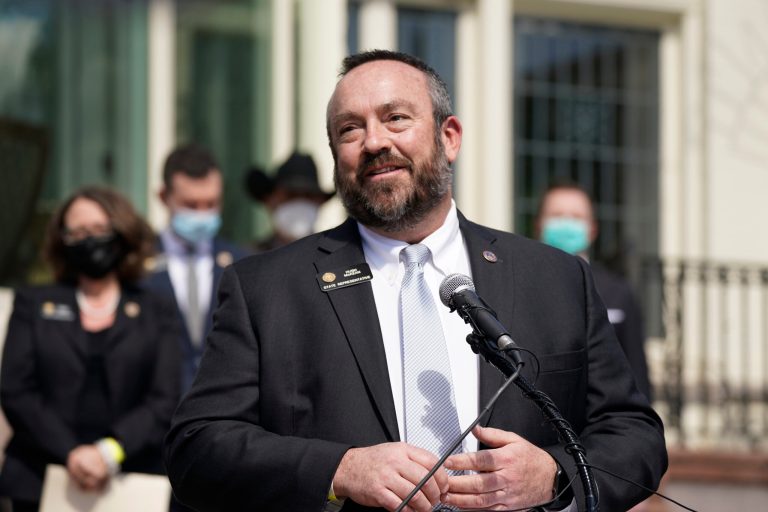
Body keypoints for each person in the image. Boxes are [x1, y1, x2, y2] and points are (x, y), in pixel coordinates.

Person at [165, 50, 667, 512]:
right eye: (349, 130)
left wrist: (556, 476)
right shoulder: (267, 288)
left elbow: (635, 435)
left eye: (395, 118)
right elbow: (197, 449)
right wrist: (339, 470)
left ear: (449, 136)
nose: (375, 142)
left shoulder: (555, 278)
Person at [0, 187, 181, 512]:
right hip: (40, 477)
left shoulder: (157, 310)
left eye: (99, 230)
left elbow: (164, 399)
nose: (89, 240)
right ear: (62, 239)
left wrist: (108, 453)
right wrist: (71, 453)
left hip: (131, 480)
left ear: (121, 233)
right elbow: (17, 390)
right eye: (78, 232)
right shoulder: (33, 304)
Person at [143, 143, 249, 393]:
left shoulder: (239, 262)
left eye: (211, 204)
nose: (203, 214)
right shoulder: (138, 264)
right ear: (163, 197)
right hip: (157, 412)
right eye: (191, 205)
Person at [535, 180, 652, 401]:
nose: (566, 224)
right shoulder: (521, 283)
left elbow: (636, 371)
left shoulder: (619, 292)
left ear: (592, 230)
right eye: (557, 215)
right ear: (539, 224)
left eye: (576, 217)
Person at [246, 151, 335, 251]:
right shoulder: (249, 260)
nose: (300, 204)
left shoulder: (338, 258)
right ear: (270, 200)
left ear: (320, 201)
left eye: (308, 196)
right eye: (291, 195)